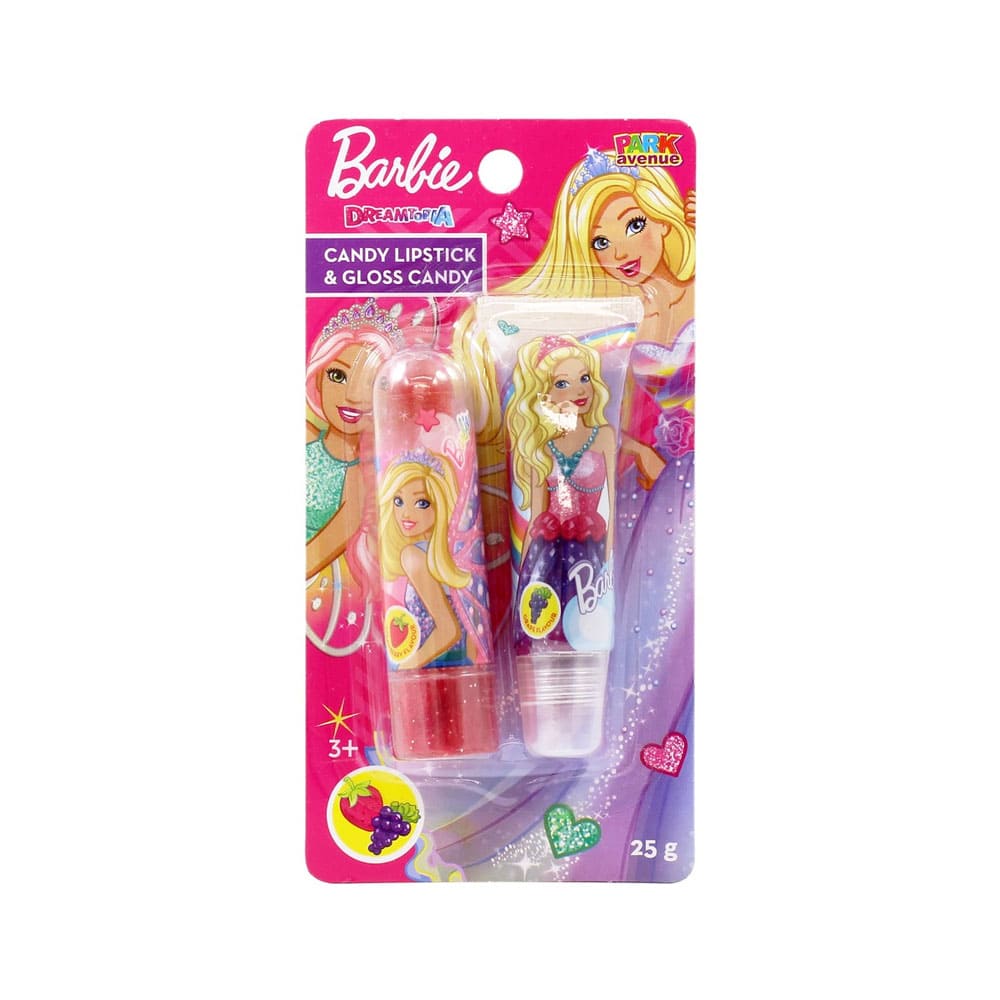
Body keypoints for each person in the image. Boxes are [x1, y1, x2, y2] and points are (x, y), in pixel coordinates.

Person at [506, 336, 617, 652]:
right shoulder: (542, 449)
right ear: (544, 394)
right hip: (546, 555)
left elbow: (614, 506)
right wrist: (524, 579)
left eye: (584, 378)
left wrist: (609, 562)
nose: (580, 390)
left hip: (590, 551)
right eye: (562, 383)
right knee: (544, 630)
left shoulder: (603, 437)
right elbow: (535, 518)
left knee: (587, 629)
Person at [305, 298, 400, 654]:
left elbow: (321, 550)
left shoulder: (360, 479)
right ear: (317, 377)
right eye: (338, 375)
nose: (353, 395)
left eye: (371, 381)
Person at [378, 450, 477, 670]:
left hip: (431, 665)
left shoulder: (413, 555)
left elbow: (448, 629)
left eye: (422, 503)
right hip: (461, 663)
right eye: (398, 501)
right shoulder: (448, 559)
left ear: (440, 503)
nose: (405, 514)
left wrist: (405, 667)